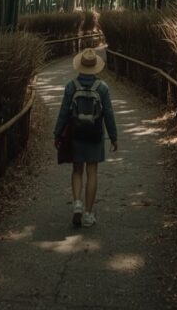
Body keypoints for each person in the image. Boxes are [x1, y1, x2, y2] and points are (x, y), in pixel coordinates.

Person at [53, 47, 118, 228]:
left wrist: (57, 134)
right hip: (95, 135)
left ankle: (77, 204)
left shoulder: (71, 86)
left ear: (80, 66)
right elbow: (109, 114)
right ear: (95, 67)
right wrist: (113, 137)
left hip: (76, 134)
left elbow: (63, 113)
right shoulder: (102, 88)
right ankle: (88, 215)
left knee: (77, 170)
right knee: (92, 172)